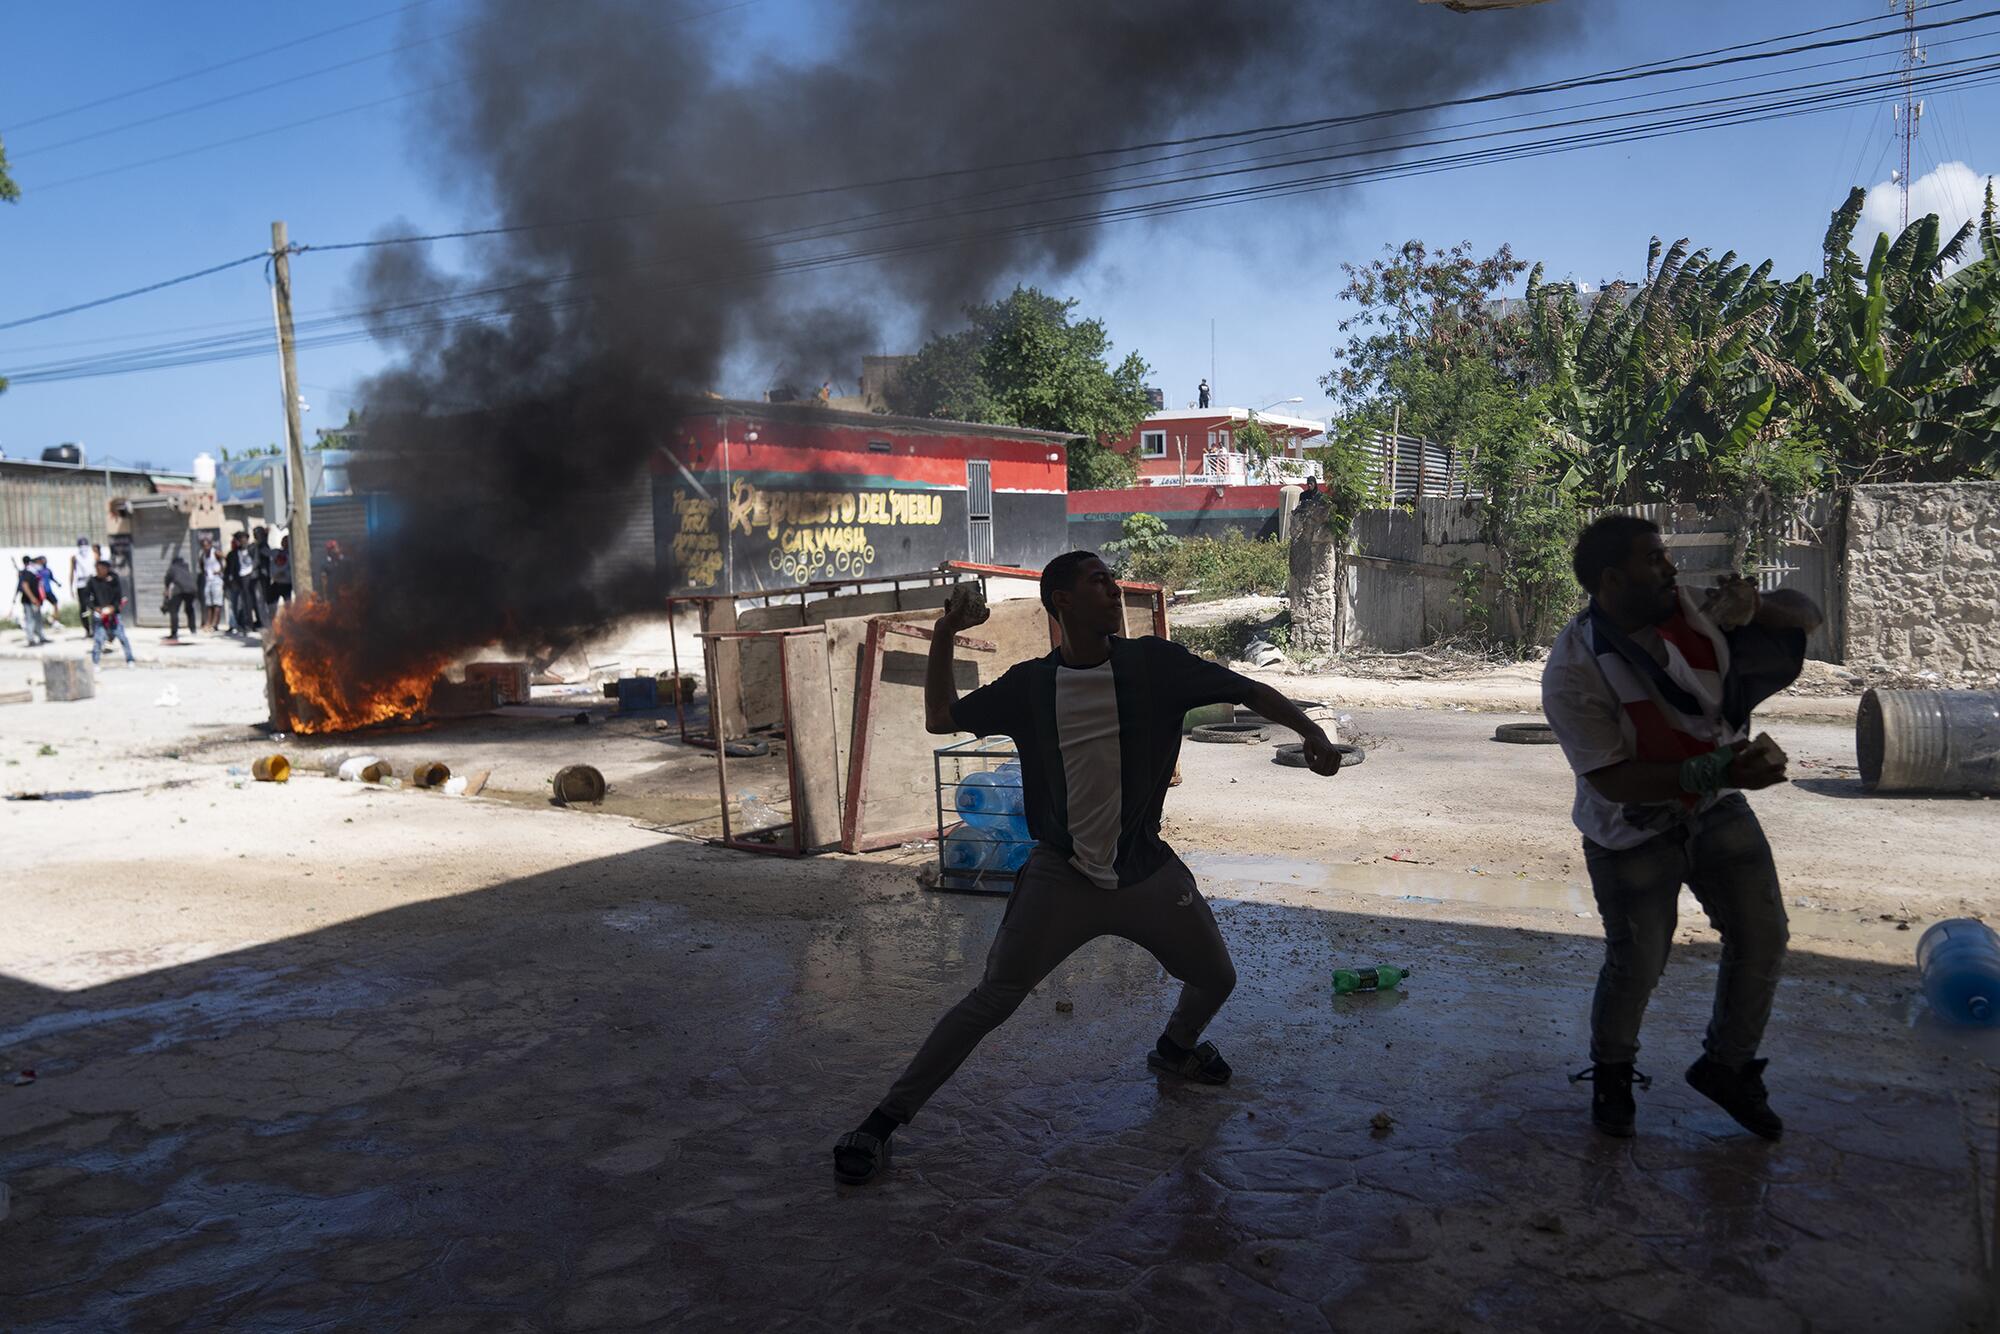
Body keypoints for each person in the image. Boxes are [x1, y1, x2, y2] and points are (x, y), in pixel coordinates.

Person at [832, 552, 1345, 1186]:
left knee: (1215, 977)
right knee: (992, 999)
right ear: (1063, 601)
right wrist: (944, 632)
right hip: (1060, 878)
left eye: (1112, 579)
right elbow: (943, 717)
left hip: (1145, 869)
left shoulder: (1156, 666)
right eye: (1097, 580)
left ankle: (1175, 1050)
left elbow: (1249, 690)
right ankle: (882, 1121)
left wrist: (1310, 729)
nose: (1112, 589)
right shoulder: (1030, 686)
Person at [1541, 514, 1821, 1142]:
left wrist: (1759, 608)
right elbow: (1612, 780)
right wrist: (1718, 768)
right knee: (1638, 960)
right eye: (1654, 558)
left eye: (1665, 555)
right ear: (1612, 579)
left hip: (1718, 806)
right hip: (1630, 830)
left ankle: (1727, 1067)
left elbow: (1807, 614)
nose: (1670, 568)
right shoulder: (1575, 669)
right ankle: (1613, 1073)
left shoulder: (1693, 611)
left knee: (1764, 936)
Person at [81, 558, 135, 665]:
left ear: (106, 569)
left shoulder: (114, 579)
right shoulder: (93, 581)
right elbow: (85, 597)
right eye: (97, 568)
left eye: (100, 568)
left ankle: (130, 660)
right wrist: (94, 607)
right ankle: (95, 663)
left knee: (122, 638)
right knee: (98, 640)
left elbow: (118, 597)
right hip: (100, 615)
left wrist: (113, 608)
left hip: (114, 615)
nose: (98, 570)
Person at [163, 552, 200, 641]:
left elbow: (167, 579)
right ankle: (193, 629)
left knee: (174, 611)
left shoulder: (173, 568)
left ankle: (174, 633)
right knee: (189, 609)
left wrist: (167, 589)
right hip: (192, 589)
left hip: (179, 590)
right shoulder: (186, 567)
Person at [14, 558, 50, 647]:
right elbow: (24, 586)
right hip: (29, 601)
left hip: (36, 601)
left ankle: (41, 637)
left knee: (38, 619)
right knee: (30, 620)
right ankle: (31, 639)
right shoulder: (28, 573)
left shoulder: (35, 573)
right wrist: (32, 598)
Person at [199, 537, 225, 633]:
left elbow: (226, 558)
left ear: (210, 545)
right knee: (209, 603)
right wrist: (205, 572)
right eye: (204, 546)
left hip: (217, 580)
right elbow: (201, 565)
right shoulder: (203, 555)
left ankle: (215, 624)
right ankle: (208, 623)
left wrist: (221, 570)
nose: (206, 548)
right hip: (208, 580)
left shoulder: (215, 553)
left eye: (207, 545)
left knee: (217, 603)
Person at [271, 535, 294, 608]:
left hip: (287, 583)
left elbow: (293, 569)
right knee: (273, 604)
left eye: (286, 541)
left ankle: (290, 618)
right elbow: (265, 551)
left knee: (288, 605)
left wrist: (285, 574)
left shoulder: (292, 554)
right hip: (276, 583)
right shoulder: (277, 552)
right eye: (283, 541)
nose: (284, 543)